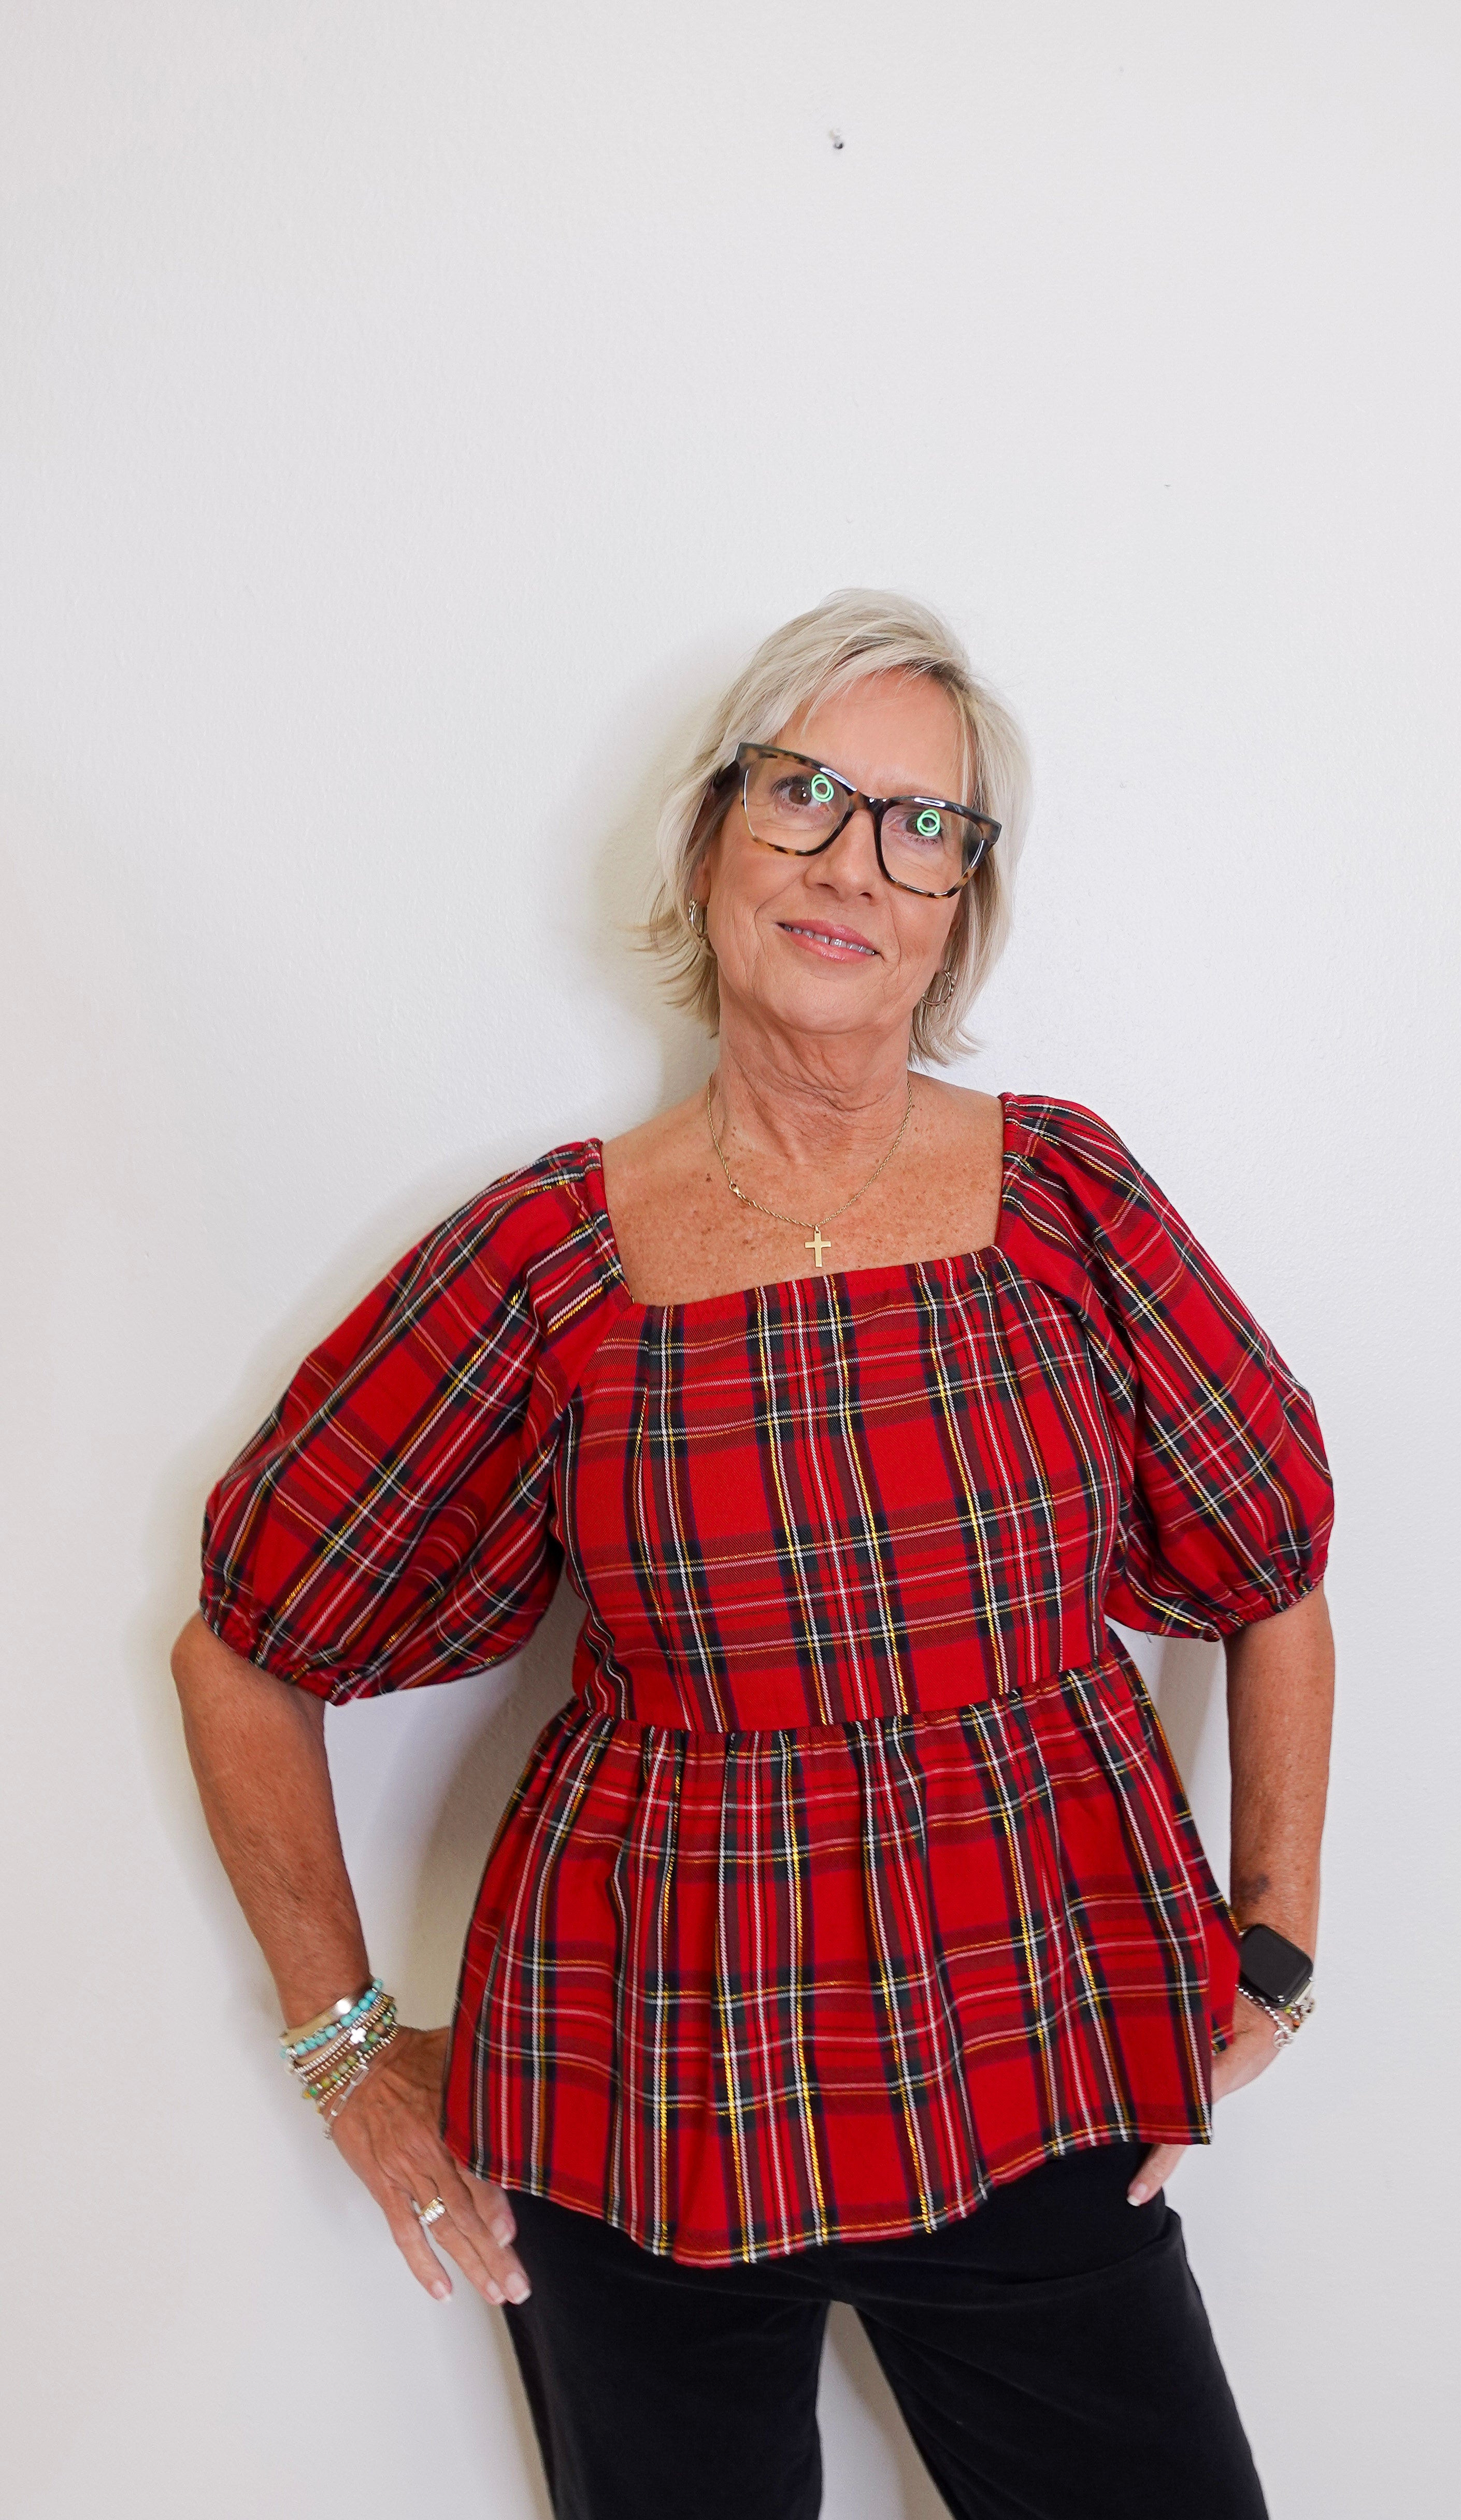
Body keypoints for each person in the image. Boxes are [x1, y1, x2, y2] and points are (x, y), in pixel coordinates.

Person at [173, 589, 1336, 2520]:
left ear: (962, 904)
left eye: (920, 824)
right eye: (802, 794)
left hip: (1032, 2058)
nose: (851, 864)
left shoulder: (1068, 1198)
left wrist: (1274, 1941)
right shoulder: (547, 1259)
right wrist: (346, 2051)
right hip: (643, 2109)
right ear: (714, 836)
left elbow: (1272, 1557)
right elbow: (245, 1643)